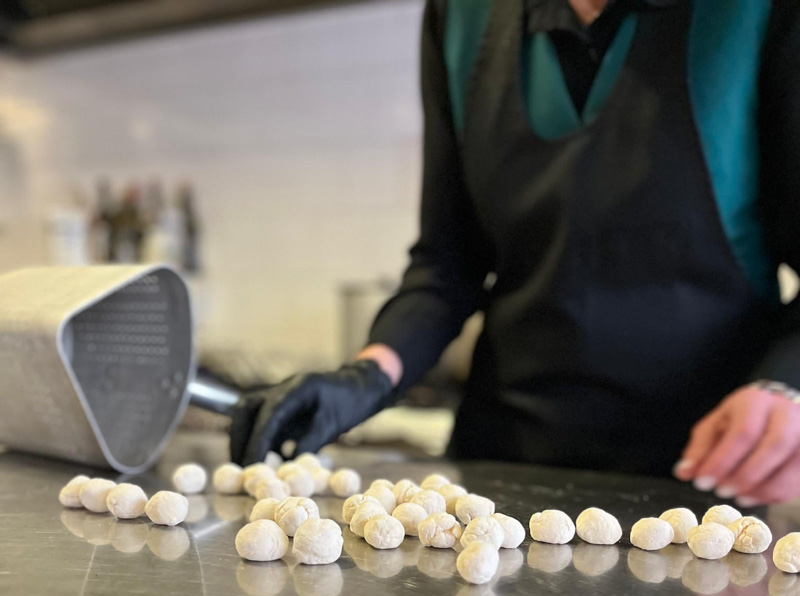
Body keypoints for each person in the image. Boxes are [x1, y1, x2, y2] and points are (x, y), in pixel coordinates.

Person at [230, 0, 800, 507]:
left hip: (701, 485)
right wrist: (365, 377)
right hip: (500, 477)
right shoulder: (461, 16)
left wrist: (785, 384)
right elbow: (445, 264)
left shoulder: (758, 15)